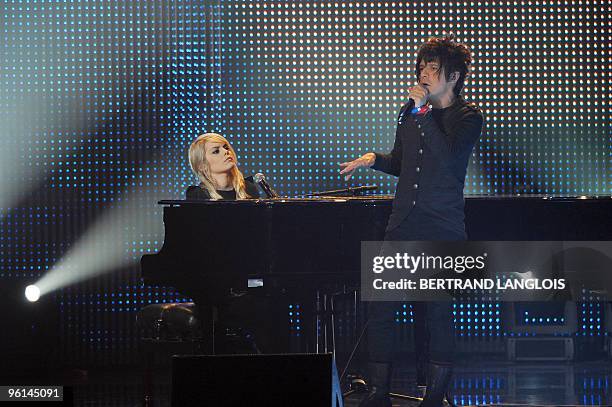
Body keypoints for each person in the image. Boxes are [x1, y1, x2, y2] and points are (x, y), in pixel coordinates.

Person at [340, 35, 484, 407]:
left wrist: (422, 113)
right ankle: (378, 392)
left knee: (438, 310)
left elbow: (449, 157)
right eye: (421, 67)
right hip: (402, 223)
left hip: (441, 226)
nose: (422, 74)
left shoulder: (467, 118)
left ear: (452, 76)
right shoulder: (410, 112)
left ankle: (435, 395)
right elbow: (404, 163)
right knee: (381, 307)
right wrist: (375, 159)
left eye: (431, 69)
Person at [186, 132, 259, 200]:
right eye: (216, 151)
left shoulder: (249, 189)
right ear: (202, 166)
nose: (226, 151)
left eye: (226, 147)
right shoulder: (197, 196)